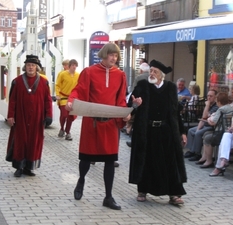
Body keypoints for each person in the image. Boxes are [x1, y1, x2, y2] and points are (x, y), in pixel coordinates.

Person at [65, 43, 139, 210]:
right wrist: (71, 101)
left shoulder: (120, 75)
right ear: (104, 54)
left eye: (116, 56)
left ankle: (108, 196)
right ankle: (81, 180)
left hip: (110, 124)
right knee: (85, 158)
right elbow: (79, 90)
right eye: (111, 55)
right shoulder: (89, 72)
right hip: (92, 122)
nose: (114, 58)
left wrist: (124, 114)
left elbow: (120, 99)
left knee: (110, 161)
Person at [128, 59, 187, 206]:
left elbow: (175, 112)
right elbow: (131, 102)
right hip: (146, 130)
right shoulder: (142, 85)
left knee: (170, 162)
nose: (152, 73)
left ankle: (174, 193)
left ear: (161, 75)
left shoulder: (170, 87)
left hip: (166, 131)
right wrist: (135, 104)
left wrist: (182, 132)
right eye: (151, 71)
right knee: (146, 160)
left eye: (155, 71)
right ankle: (142, 190)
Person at [6, 55, 53, 177]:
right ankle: (19, 167)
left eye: (32, 65)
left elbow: (48, 100)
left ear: (37, 67)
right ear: (24, 67)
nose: (30, 67)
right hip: (21, 116)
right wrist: (11, 116)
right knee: (20, 141)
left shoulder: (44, 82)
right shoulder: (17, 81)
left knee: (34, 142)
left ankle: (29, 167)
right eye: (28, 65)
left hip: (37, 118)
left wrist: (49, 115)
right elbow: (12, 100)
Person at [195, 92, 233, 168]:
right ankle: (205, 157)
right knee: (206, 134)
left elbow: (213, 122)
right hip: (227, 131)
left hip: (221, 132)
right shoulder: (230, 107)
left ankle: (209, 160)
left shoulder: (221, 109)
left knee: (207, 137)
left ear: (218, 101)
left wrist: (209, 119)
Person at [184, 90, 219, 161]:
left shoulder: (216, 107)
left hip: (211, 126)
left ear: (215, 97)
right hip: (204, 124)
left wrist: (207, 105)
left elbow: (205, 116)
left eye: (211, 96)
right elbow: (203, 118)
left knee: (198, 133)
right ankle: (191, 151)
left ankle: (197, 153)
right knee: (190, 130)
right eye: (208, 96)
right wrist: (198, 128)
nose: (209, 98)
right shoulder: (209, 105)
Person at [210, 96, 233, 176]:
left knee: (223, 144)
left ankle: (219, 167)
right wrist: (231, 129)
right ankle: (224, 160)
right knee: (226, 135)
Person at [55, 59, 79, 140]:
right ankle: (62, 128)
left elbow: (80, 87)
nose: (74, 67)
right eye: (73, 65)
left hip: (73, 98)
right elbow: (57, 85)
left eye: (75, 65)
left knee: (70, 116)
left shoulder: (78, 75)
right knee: (64, 115)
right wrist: (57, 94)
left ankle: (68, 132)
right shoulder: (62, 74)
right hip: (63, 97)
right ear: (69, 66)